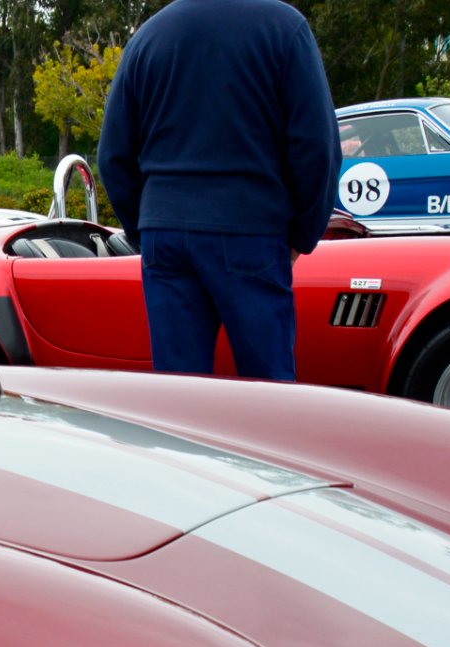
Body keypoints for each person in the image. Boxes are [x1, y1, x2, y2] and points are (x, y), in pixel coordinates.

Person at [97, 0, 339, 380]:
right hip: (250, 228)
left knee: (179, 394)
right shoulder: (283, 27)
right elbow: (316, 145)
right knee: (268, 389)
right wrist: (302, 234)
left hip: (166, 234)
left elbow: (112, 155)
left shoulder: (149, 35)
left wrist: (144, 226)